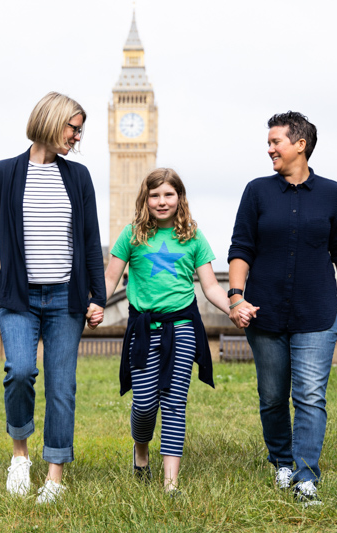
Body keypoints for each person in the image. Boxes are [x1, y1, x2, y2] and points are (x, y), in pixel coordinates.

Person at [0, 91, 106, 504]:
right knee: (21, 371)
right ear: (50, 120)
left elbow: (89, 240)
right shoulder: (4, 173)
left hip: (67, 298)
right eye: (73, 128)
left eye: (80, 131)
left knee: (62, 386)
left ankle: (55, 477)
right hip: (18, 298)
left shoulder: (78, 178)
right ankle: (20, 457)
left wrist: (97, 295)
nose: (77, 137)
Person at [93, 168, 252, 495]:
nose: (161, 201)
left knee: (175, 403)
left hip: (182, 328)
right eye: (155, 195)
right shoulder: (132, 235)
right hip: (143, 329)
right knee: (145, 405)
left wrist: (235, 307)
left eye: (168, 194)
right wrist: (95, 303)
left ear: (179, 198)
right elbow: (110, 279)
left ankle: (170, 483)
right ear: (145, 199)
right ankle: (141, 450)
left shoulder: (192, 237)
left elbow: (210, 286)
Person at [227, 111, 337, 506]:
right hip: (264, 315)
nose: (269, 149)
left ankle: (305, 476)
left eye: (275, 142)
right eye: (268, 143)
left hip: (317, 313)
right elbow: (241, 248)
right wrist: (235, 296)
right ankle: (282, 461)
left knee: (310, 395)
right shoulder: (256, 192)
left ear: (300, 144)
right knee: (271, 396)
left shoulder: (332, 193)